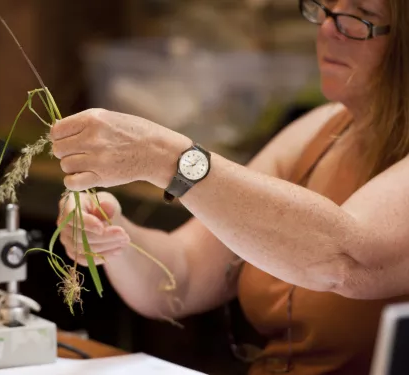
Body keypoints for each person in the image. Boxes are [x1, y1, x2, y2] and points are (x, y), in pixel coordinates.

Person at [51, 0, 409, 373]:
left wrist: (167, 157)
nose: (326, 29)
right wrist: (113, 235)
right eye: (325, 9)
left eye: (359, 18)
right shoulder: (322, 131)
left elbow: (345, 259)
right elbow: (181, 276)